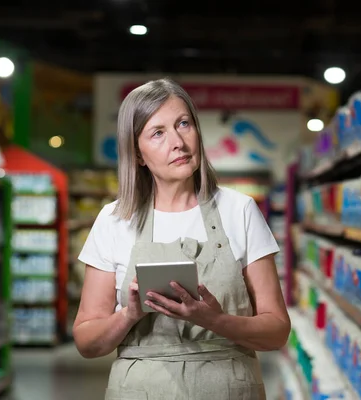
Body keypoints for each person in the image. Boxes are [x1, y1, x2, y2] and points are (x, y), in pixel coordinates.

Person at [74, 78, 290, 400]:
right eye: (158, 133)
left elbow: (276, 332)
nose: (178, 142)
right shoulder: (114, 220)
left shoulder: (239, 210)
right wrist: (130, 315)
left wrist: (215, 320)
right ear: (138, 154)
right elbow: (87, 342)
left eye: (183, 124)